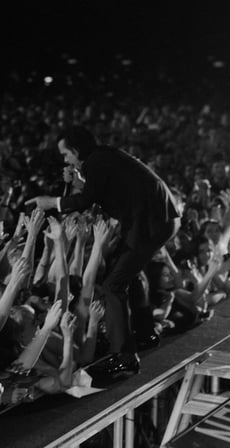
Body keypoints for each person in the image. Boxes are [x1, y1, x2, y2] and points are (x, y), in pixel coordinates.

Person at [26, 126, 181, 366]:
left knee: (112, 285)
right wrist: (79, 181)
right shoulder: (104, 157)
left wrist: (52, 202)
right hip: (156, 220)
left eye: (66, 154)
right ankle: (145, 333)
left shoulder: (97, 161)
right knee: (125, 271)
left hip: (150, 223)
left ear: (76, 150)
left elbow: (86, 200)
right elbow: (101, 191)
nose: (65, 159)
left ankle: (124, 355)